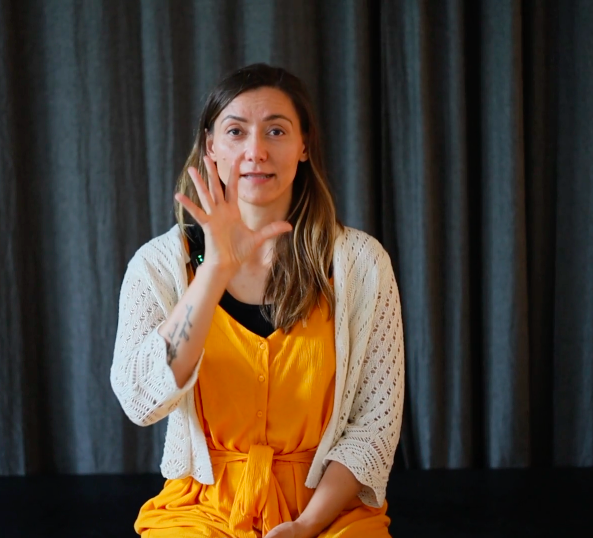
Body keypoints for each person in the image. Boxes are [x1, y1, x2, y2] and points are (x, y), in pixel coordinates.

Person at [110, 63, 405, 538]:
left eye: (276, 130)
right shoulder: (157, 267)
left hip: (328, 511)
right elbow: (140, 401)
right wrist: (214, 271)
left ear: (304, 145)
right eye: (236, 131)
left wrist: (306, 525)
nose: (256, 151)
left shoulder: (362, 264)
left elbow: (374, 426)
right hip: (200, 510)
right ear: (210, 146)